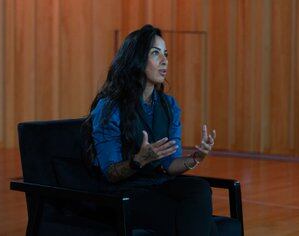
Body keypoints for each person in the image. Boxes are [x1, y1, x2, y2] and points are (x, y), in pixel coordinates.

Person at [82, 24, 217, 236]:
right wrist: (139, 160)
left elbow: (169, 164)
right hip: (123, 193)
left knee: (199, 188)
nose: (165, 61)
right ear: (136, 59)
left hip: (157, 185)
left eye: (166, 54)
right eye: (156, 53)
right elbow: (110, 173)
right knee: (193, 220)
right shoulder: (109, 107)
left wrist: (196, 157)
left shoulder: (168, 105)